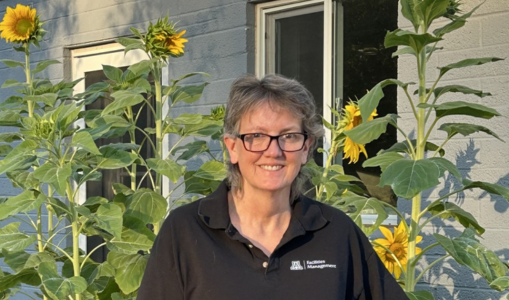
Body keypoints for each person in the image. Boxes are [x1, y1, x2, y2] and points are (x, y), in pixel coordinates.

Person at [137, 74, 408, 300]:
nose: (273, 151)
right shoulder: (185, 233)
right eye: (256, 136)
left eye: (289, 136)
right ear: (232, 147)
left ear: (306, 148)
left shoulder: (337, 233)